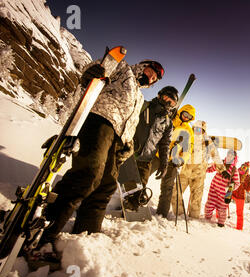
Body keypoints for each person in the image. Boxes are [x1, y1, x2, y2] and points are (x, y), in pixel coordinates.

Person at [35, 58, 164, 260]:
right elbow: (98, 69)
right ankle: (43, 231)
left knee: (106, 185)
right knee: (87, 175)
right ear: (142, 65)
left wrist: (127, 144)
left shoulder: (139, 96)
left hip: (118, 139)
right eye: (151, 71)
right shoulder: (124, 70)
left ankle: (86, 235)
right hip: (99, 122)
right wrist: (90, 73)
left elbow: (130, 122)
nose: (151, 76)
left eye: (155, 77)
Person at [121, 86, 179, 211]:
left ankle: (132, 206)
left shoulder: (168, 123)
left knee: (140, 187)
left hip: (146, 159)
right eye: (167, 98)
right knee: (128, 184)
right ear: (160, 95)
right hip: (129, 153)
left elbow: (165, 145)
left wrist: (164, 163)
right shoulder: (144, 106)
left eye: (172, 102)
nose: (168, 102)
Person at [170, 120, 226, 218]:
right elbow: (177, 149)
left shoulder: (208, 143)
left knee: (196, 200)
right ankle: (179, 216)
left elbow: (216, 156)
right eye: (195, 129)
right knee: (175, 194)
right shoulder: (187, 138)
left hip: (199, 175)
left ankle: (193, 219)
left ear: (204, 131)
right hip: (184, 172)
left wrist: (223, 169)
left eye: (200, 129)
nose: (197, 131)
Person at [155, 104, 196, 218]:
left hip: (172, 160)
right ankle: (134, 199)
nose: (186, 117)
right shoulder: (171, 118)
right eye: (185, 114)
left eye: (189, 116)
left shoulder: (188, 131)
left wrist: (182, 160)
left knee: (167, 187)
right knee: (144, 175)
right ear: (182, 111)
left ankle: (161, 213)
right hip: (158, 155)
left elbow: (188, 148)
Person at [204, 149, 240, 227]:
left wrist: (231, 186)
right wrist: (202, 169)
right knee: (209, 205)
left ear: (234, 157)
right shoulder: (221, 163)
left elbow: (237, 183)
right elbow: (211, 169)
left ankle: (221, 224)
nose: (229, 156)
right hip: (214, 188)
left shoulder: (234, 170)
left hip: (224, 193)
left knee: (222, 209)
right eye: (228, 154)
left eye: (231, 155)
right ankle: (206, 220)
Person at [232, 162, 250, 230]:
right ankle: (218, 217)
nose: (243, 169)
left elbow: (247, 189)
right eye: (242, 166)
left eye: (245, 168)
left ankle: (239, 227)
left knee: (240, 213)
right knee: (223, 204)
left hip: (240, 196)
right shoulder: (236, 173)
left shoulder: (247, 177)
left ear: (247, 169)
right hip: (232, 192)